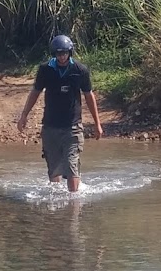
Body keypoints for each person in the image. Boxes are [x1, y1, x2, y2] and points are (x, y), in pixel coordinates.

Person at [16, 34, 103, 193]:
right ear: (54, 54)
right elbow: (35, 92)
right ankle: (57, 205)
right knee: (54, 168)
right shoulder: (45, 69)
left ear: (70, 52)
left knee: (71, 166)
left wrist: (97, 124)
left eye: (64, 53)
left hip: (73, 126)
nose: (62, 56)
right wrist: (24, 115)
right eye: (58, 53)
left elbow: (89, 96)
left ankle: (73, 206)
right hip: (50, 126)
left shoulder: (80, 70)